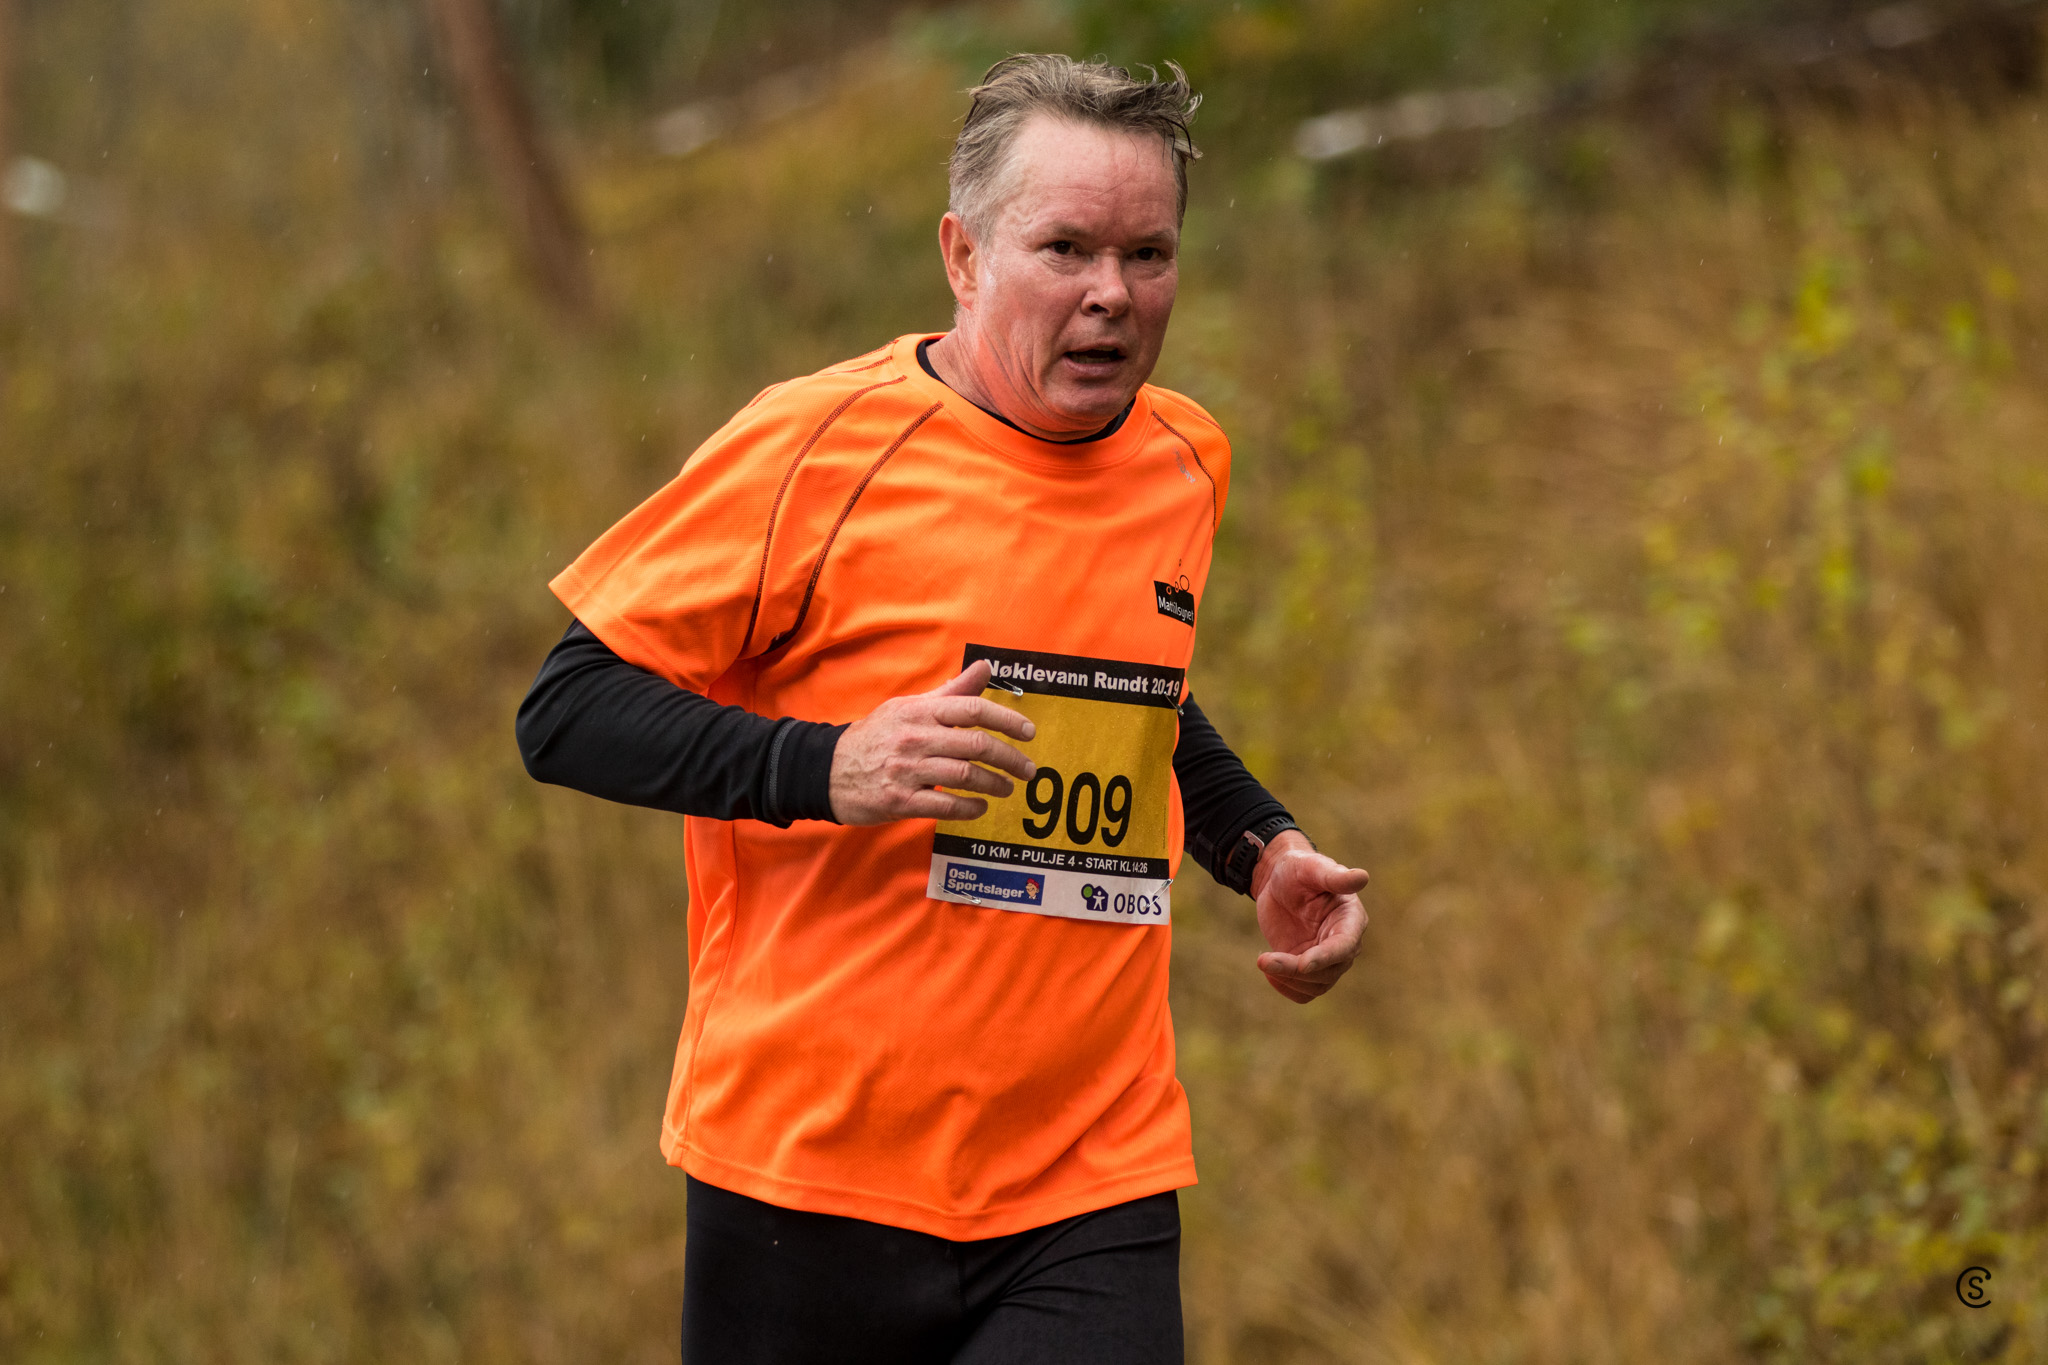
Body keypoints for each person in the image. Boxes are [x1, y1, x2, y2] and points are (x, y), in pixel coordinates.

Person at [516, 54, 1370, 1365]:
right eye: (1065, 248)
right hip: (808, 1174)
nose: (1112, 293)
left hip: (1090, 1171)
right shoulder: (817, 447)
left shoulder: (1183, 460)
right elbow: (567, 709)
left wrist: (1262, 847)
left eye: (1148, 254)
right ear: (963, 258)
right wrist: (830, 766)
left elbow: (1134, 696)